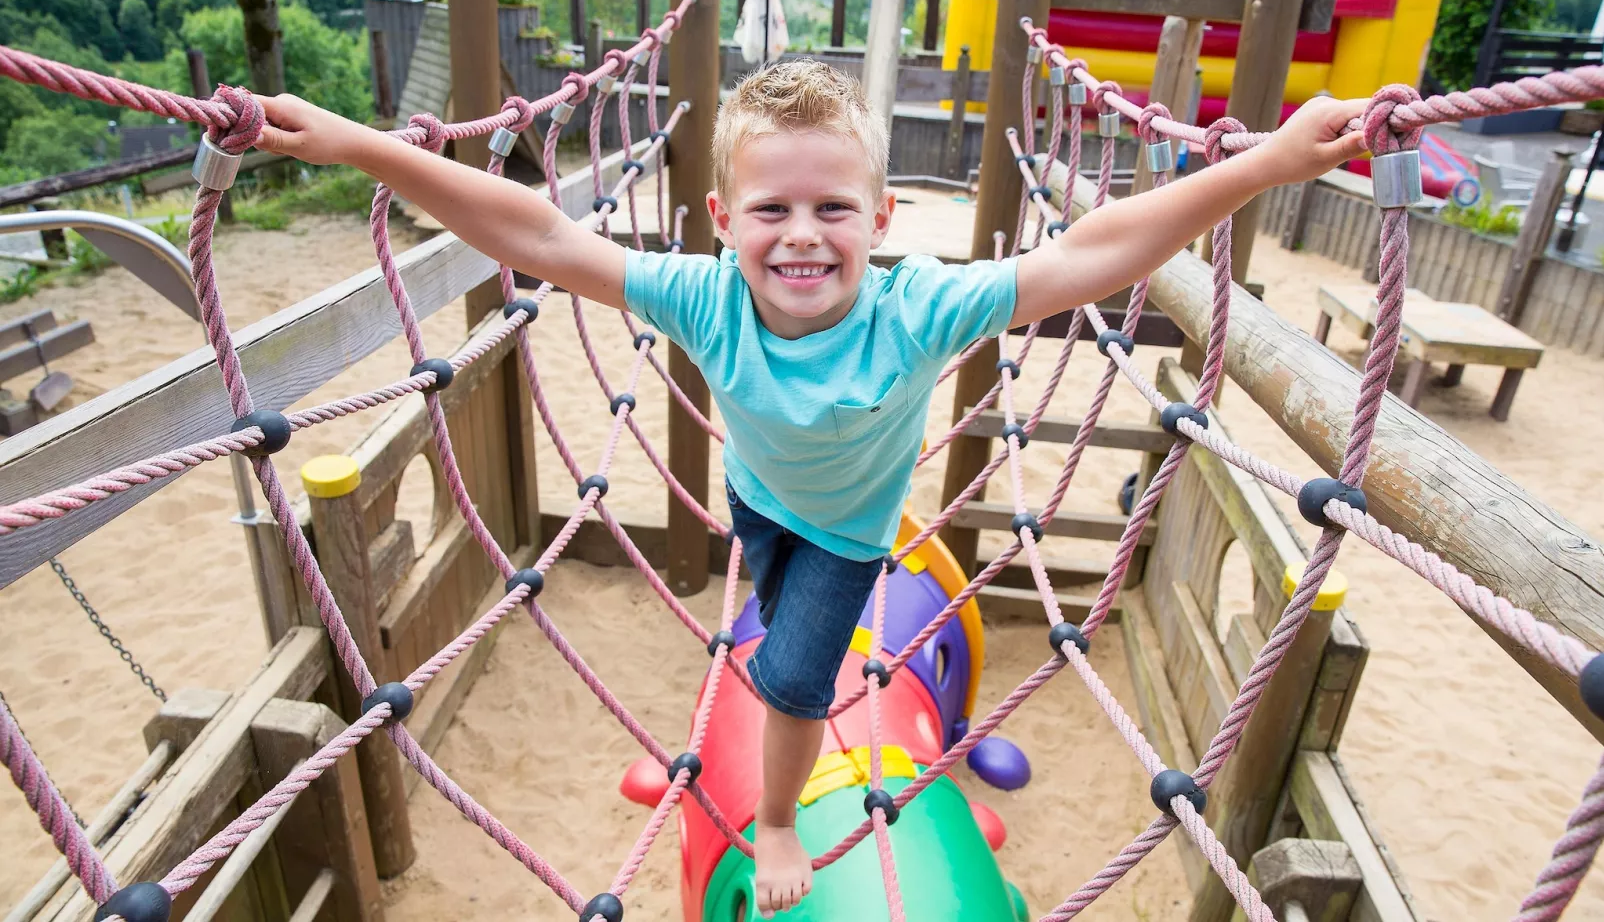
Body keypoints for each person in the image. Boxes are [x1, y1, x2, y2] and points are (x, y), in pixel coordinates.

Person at [254, 59, 1368, 917]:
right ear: (720, 222)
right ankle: (764, 721)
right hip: (755, 498)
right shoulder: (699, 296)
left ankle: (778, 818)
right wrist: (361, 147)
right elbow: (535, 231)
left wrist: (1264, 162)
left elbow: (1098, 250)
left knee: (791, 676)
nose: (801, 235)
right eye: (769, 209)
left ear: (880, 221)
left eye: (834, 208)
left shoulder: (920, 306)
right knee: (765, 625)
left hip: (849, 530)